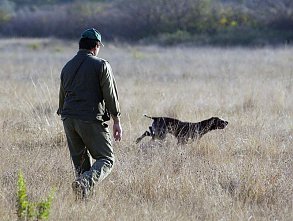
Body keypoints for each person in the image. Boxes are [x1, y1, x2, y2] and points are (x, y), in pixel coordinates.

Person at [57, 28, 122, 198]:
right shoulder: (101, 65)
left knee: (81, 165)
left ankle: (82, 205)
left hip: (68, 118)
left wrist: (66, 115)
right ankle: (84, 183)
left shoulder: (67, 66)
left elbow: (62, 96)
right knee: (107, 159)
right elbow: (110, 95)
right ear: (96, 46)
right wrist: (116, 120)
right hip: (89, 118)